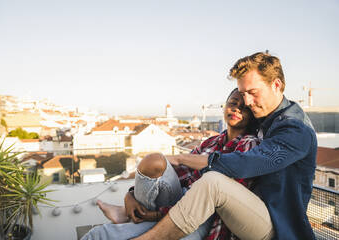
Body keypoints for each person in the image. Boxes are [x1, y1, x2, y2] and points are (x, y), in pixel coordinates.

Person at [132, 52, 317, 240]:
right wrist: (132, 193)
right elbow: (222, 144)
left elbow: (247, 163)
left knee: (214, 182)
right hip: (246, 208)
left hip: (278, 226)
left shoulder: (296, 129)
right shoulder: (263, 117)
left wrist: (181, 157)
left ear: (276, 85)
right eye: (243, 94)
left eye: (252, 92)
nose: (246, 102)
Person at [81, 88, 260, 240]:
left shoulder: (248, 144)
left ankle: (126, 214)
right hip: (177, 201)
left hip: (200, 218)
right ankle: (128, 211)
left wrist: (159, 214)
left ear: (252, 116)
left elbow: (224, 201)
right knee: (154, 160)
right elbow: (179, 174)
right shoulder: (211, 142)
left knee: (99, 234)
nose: (237, 109)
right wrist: (131, 196)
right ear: (225, 105)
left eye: (244, 108)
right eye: (234, 103)